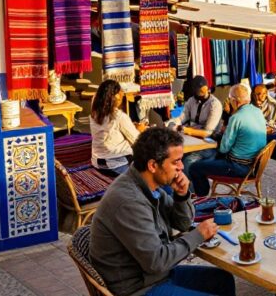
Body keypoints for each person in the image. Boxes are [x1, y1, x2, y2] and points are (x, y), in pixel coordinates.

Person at [91, 127, 236, 296]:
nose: (182, 167)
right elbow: (156, 262)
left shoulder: (149, 186)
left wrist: (181, 196)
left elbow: (182, 223)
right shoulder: (129, 201)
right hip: (138, 288)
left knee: (222, 280)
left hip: (153, 276)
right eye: (176, 162)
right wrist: (198, 235)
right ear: (153, 165)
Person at [188, 83, 267, 197]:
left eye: (230, 100)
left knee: (195, 167)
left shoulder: (236, 118)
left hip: (239, 167)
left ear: (235, 101)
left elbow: (224, 148)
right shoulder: (257, 111)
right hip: (254, 165)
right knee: (209, 157)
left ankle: (202, 197)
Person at [171, 75, 224, 170]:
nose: (204, 94)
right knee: (174, 157)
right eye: (200, 92)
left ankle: (191, 185)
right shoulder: (192, 100)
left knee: (187, 163)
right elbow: (182, 116)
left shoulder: (215, 105)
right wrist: (173, 123)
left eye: (205, 91)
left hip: (209, 145)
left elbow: (207, 133)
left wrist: (186, 130)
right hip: (192, 139)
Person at [89, 79, 141, 177]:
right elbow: (137, 140)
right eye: (120, 93)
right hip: (116, 165)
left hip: (97, 162)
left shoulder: (94, 112)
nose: (122, 95)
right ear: (115, 97)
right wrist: (140, 129)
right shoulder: (119, 117)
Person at [251, 84, 276, 165]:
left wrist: (271, 128)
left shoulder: (274, 105)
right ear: (253, 94)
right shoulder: (249, 105)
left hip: (272, 130)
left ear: (266, 94)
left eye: (263, 93)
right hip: (256, 133)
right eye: (257, 94)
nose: (260, 96)